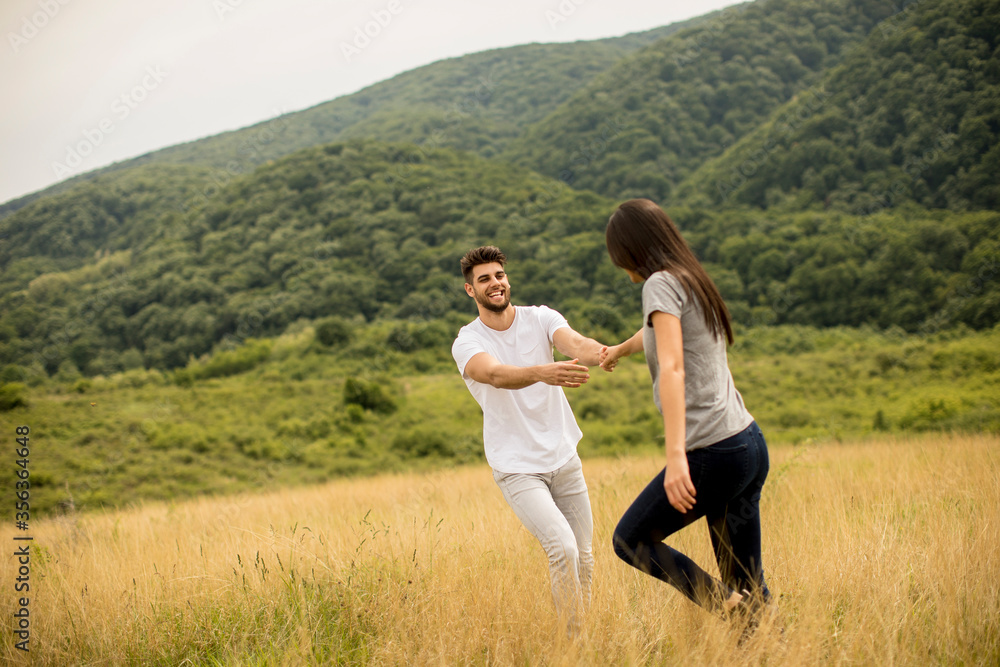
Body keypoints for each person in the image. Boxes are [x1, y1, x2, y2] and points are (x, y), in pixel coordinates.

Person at [599, 199, 775, 636]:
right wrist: (620, 349)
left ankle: (731, 608)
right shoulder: (689, 275)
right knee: (748, 584)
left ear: (631, 249)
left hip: (712, 451)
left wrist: (676, 455)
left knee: (631, 540)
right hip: (747, 443)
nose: (623, 268)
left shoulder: (658, 283)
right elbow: (660, 331)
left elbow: (673, 365)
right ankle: (774, 645)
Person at [451, 245, 605, 635]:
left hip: (564, 458)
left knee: (584, 557)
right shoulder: (467, 341)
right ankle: (574, 643)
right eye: (484, 279)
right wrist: (542, 371)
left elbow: (576, 343)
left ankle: (579, 638)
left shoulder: (541, 318)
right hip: (518, 467)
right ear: (471, 290)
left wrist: (606, 352)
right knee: (563, 549)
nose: (495, 284)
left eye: (499, 275)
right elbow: (496, 374)